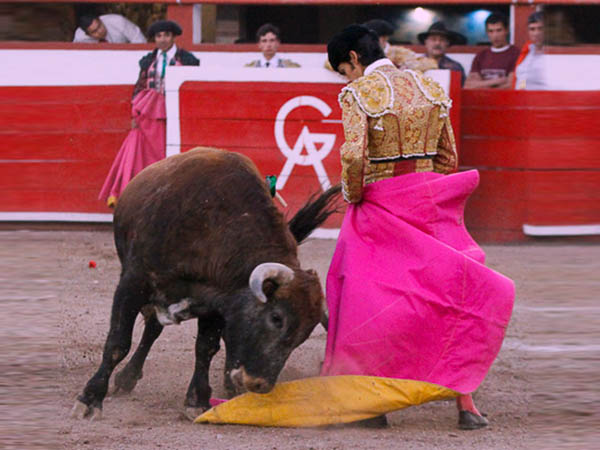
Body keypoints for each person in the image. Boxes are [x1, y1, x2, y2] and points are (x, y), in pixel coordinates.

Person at [323, 25, 515, 429]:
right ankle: (466, 404)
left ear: (354, 60)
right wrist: (422, 186)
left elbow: (355, 160)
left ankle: (371, 405)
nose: (346, 78)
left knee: (360, 293)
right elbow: (449, 157)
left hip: (381, 206)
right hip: (429, 203)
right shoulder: (430, 87)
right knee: (451, 294)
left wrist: (356, 196)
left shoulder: (359, 94)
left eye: (344, 70)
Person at [99, 20, 199, 208]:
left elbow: (192, 90)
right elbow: (140, 87)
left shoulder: (187, 60)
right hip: (148, 113)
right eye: (159, 36)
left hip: (173, 113)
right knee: (141, 150)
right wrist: (134, 115)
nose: (162, 40)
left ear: (173, 37)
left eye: (166, 35)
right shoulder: (148, 61)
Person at [465, 12, 520, 89]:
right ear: (487, 33)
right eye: (491, 31)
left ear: (506, 30)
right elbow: (468, 86)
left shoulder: (516, 54)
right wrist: (499, 81)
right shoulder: (481, 56)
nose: (495, 35)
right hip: (482, 99)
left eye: (499, 30)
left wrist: (481, 85)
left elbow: (512, 85)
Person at [363, 19, 437, 72]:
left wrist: (407, 69)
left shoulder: (399, 53)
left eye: (373, 38)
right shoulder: (363, 53)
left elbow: (431, 64)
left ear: (384, 38)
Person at [418, 21, 467, 86]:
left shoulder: (455, 67)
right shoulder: (415, 64)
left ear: (447, 43)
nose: (437, 43)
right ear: (426, 42)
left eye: (442, 40)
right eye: (433, 39)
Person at [514, 12, 546, 90]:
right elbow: (522, 77)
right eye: (532, 29)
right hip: (523, 98)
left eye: (540, 28)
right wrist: (521, 91)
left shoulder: (556, 53)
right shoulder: (527, 51)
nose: (536, 33)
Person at [73, 14, 146, 43]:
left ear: (100, 20)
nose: (100, 31)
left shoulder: (118, 21)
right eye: (94, 31)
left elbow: (138, 39)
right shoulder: (80, 37)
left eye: (99, 26)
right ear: (88, 34)